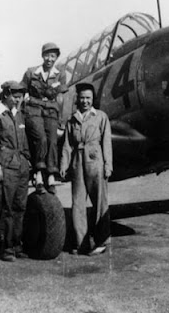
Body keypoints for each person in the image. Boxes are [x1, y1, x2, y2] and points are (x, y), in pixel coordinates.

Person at [60, 83, 113, 255]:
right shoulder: (72, 120)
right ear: (78, 99)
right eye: (82, 98)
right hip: (77, 162)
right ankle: (81, 242)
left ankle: (102, 241)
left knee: (100, 201)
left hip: (95, 159)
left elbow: (106, 142)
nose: (85, 101)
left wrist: (108, 165)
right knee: (78, 203)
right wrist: (64, 165)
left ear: (93, 99)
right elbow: (67, 146)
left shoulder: (101, 117)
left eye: (88, 98)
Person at [0, 81, 31, 262]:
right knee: (6, 208)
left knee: (20, 207)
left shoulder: (18, 114)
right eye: (15, 94)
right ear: (5, 94)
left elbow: (24, 140)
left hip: (21, 166)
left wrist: (27, 160)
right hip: (5, 166)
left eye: (21, 95)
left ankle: (17, 245)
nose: (19, 98)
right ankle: (5, 247)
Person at [21, 42, 68, 194]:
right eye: (47, 55)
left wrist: (60, 119)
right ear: (42, 56)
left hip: (51, 112)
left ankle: (51, 176)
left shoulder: (60, 74)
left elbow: (60, 96)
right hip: (34, 109)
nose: (49, 59)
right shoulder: (31, 72)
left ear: (56, 58)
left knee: (53, 141)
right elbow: (21, 91)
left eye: (53, 56)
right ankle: (39, 174)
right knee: (40, 139)